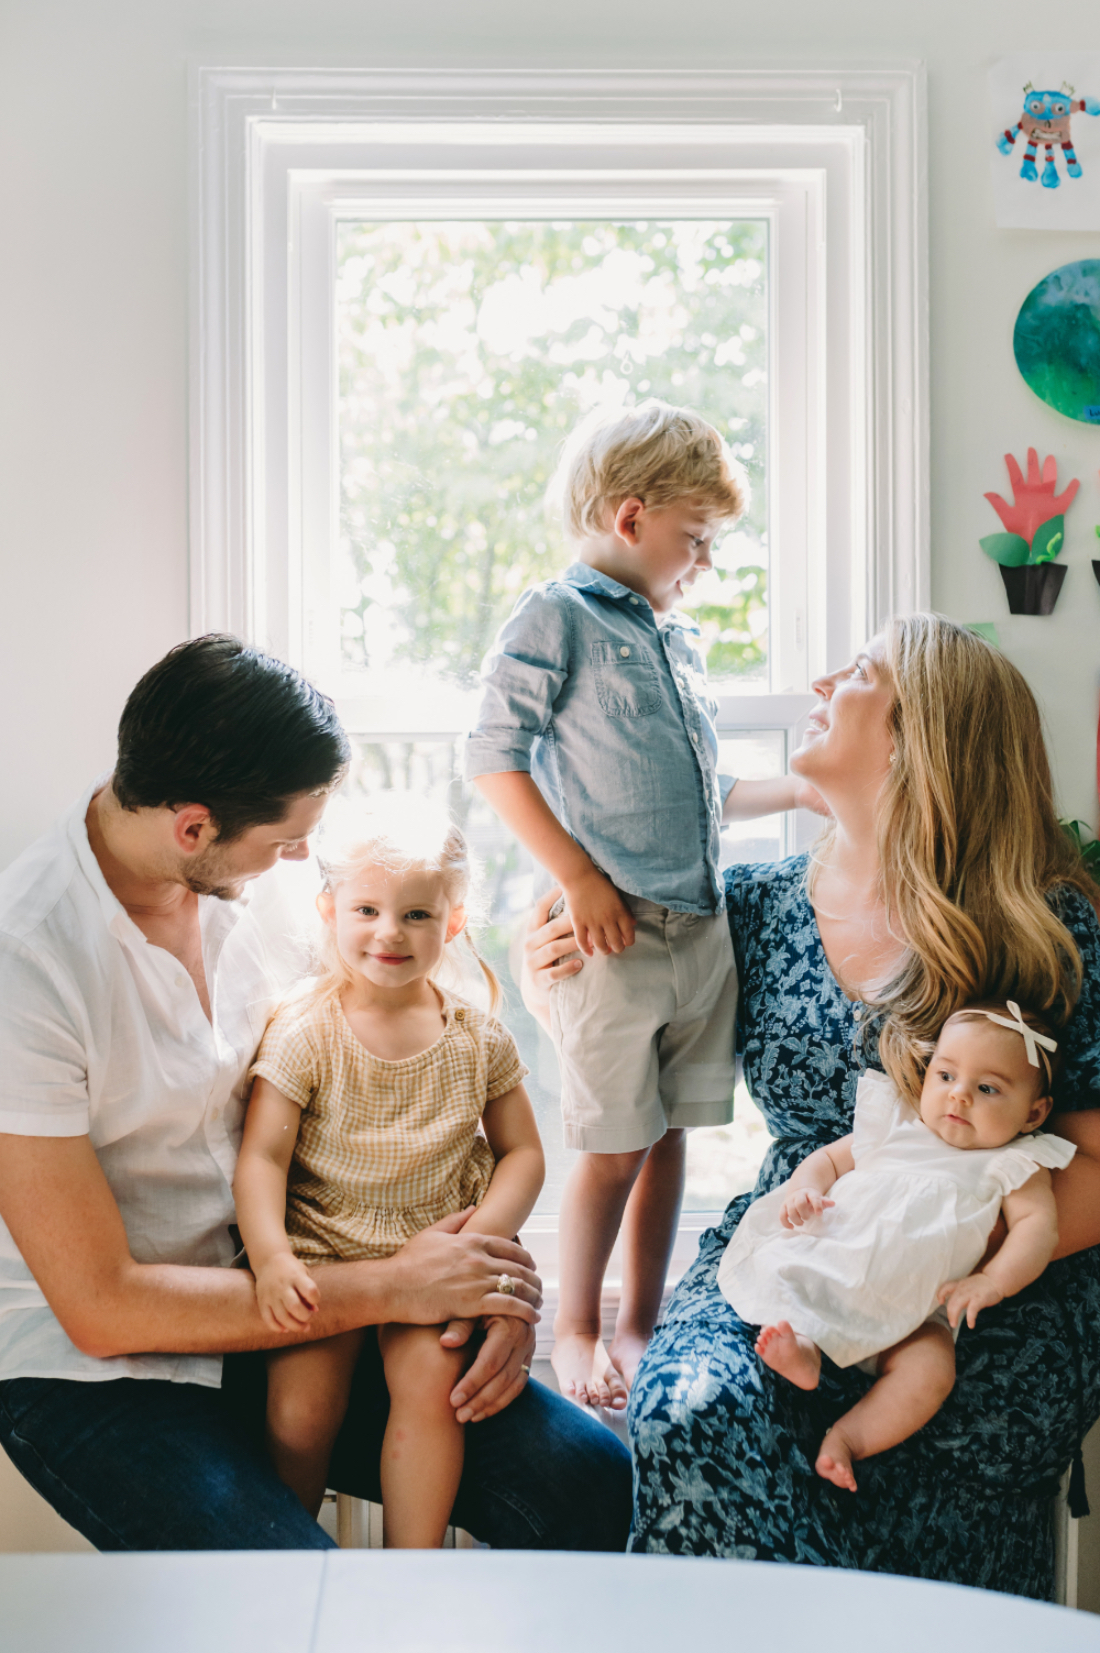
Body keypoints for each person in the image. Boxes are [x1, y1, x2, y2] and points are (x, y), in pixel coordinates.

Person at [0, 635, 632, 1551]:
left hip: (305, 1288)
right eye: (286, 838)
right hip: (106, 1368)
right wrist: (395, 1286)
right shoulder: (29, 962)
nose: (302, 857)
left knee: (590, 1482)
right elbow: (103, 1306)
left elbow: (423, 1019)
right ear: (193, 828)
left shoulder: (268, 890)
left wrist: (485, 1283)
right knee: (294, 1598)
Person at [523, 613, 1100, 1598]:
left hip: (988, 1265)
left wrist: (923, 1268)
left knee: (978, 1419)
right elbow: (630, 1083)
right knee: (688, 1409)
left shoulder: (1042, 924)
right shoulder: (741, 905)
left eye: (862, 669)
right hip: (794, 1236)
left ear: (920, 732)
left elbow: (1086, 1166)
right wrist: (552, 983)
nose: (822, 678)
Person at [466, 398, 815, 1409]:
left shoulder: (675, 640)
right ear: (629, 518)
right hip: (611, 939)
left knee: (668, 1138)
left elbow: (702, 795)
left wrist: (797, 790)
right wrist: (575, 878)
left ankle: (641, 1316)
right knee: (612, 1142)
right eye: (693, 540)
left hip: (694, 934)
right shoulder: (556, 619)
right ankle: (573, 1326)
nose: (701, 563)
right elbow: (491, 755)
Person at [235, 803, 545, 1543]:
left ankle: (413, 1576)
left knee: (431, 1394)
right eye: (367, 909)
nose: (389, 932)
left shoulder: (476, 1036)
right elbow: (262, 1157)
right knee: (301, 1409)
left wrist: (481, 1240)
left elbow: (524, 1153)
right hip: (323, 1250)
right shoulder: (308, 1030)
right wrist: (273, 1257)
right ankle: (296, 1561)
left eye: (415, 913)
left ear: (455, 921)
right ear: (329, 910)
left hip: (435, 1248)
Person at [720, 999, 1074, 1492]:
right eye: (946, 1076)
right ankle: (806, 1348)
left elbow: (1038, 1230)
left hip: (915, 1310)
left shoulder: (1016, 1161)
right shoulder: (897, 1124)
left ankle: (848, 1439)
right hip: (842, 1256)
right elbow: (829, 1160)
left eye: (987, 1088)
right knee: (801, 1278)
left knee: (930, 1371)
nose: (960, 1097)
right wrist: (807, 1189)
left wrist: (992, 1280)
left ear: (1034, 1112)